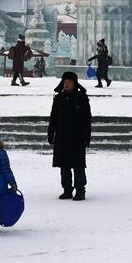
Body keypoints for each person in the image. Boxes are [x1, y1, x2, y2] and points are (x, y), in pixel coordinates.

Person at [48, 72, 92, 201]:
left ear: (74, 83)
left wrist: (86, 137)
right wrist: (51, 133)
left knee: (78, 165)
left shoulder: (82, 98)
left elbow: (87, 119)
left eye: (69, 82)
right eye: (64, 82)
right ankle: (67, 189)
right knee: (64, 165)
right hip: (62, 137)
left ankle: (80, 190)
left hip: (77, 137)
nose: (66, 84)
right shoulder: (58, 98)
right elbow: (53, 118)